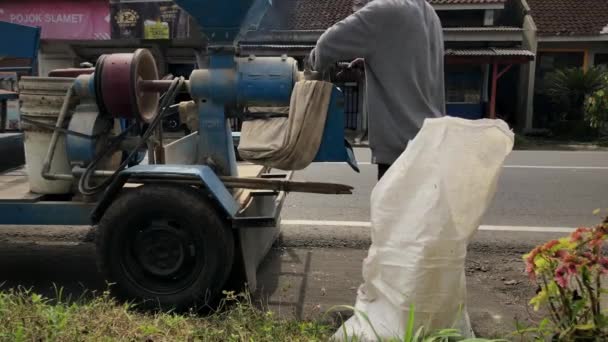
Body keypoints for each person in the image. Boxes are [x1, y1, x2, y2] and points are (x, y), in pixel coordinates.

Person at [309, 0, 445, 180]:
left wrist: (308, 68)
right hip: (432, 144)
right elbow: (409, 63)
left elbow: (325, 47)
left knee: (395, 208)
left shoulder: (383, 10)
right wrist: (373, 63)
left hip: (401, 155)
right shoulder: (427, 11)